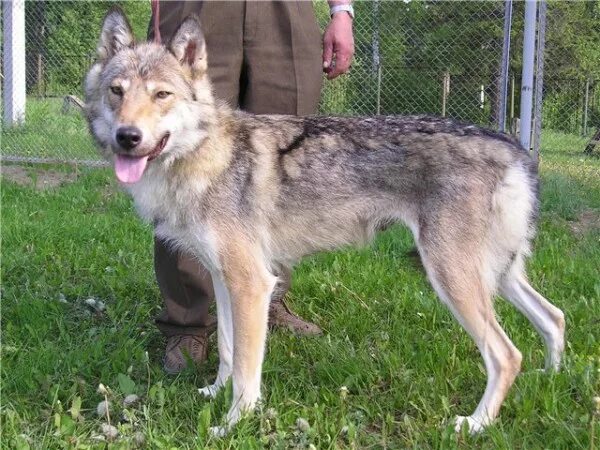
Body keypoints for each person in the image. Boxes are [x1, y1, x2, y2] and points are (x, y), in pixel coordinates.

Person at [148, 0, 355, 374]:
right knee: (177, 150)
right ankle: (187, 322)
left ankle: (266, 298)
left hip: (284, 11)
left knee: (283, 155)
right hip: (196, 7)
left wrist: (342, 10)